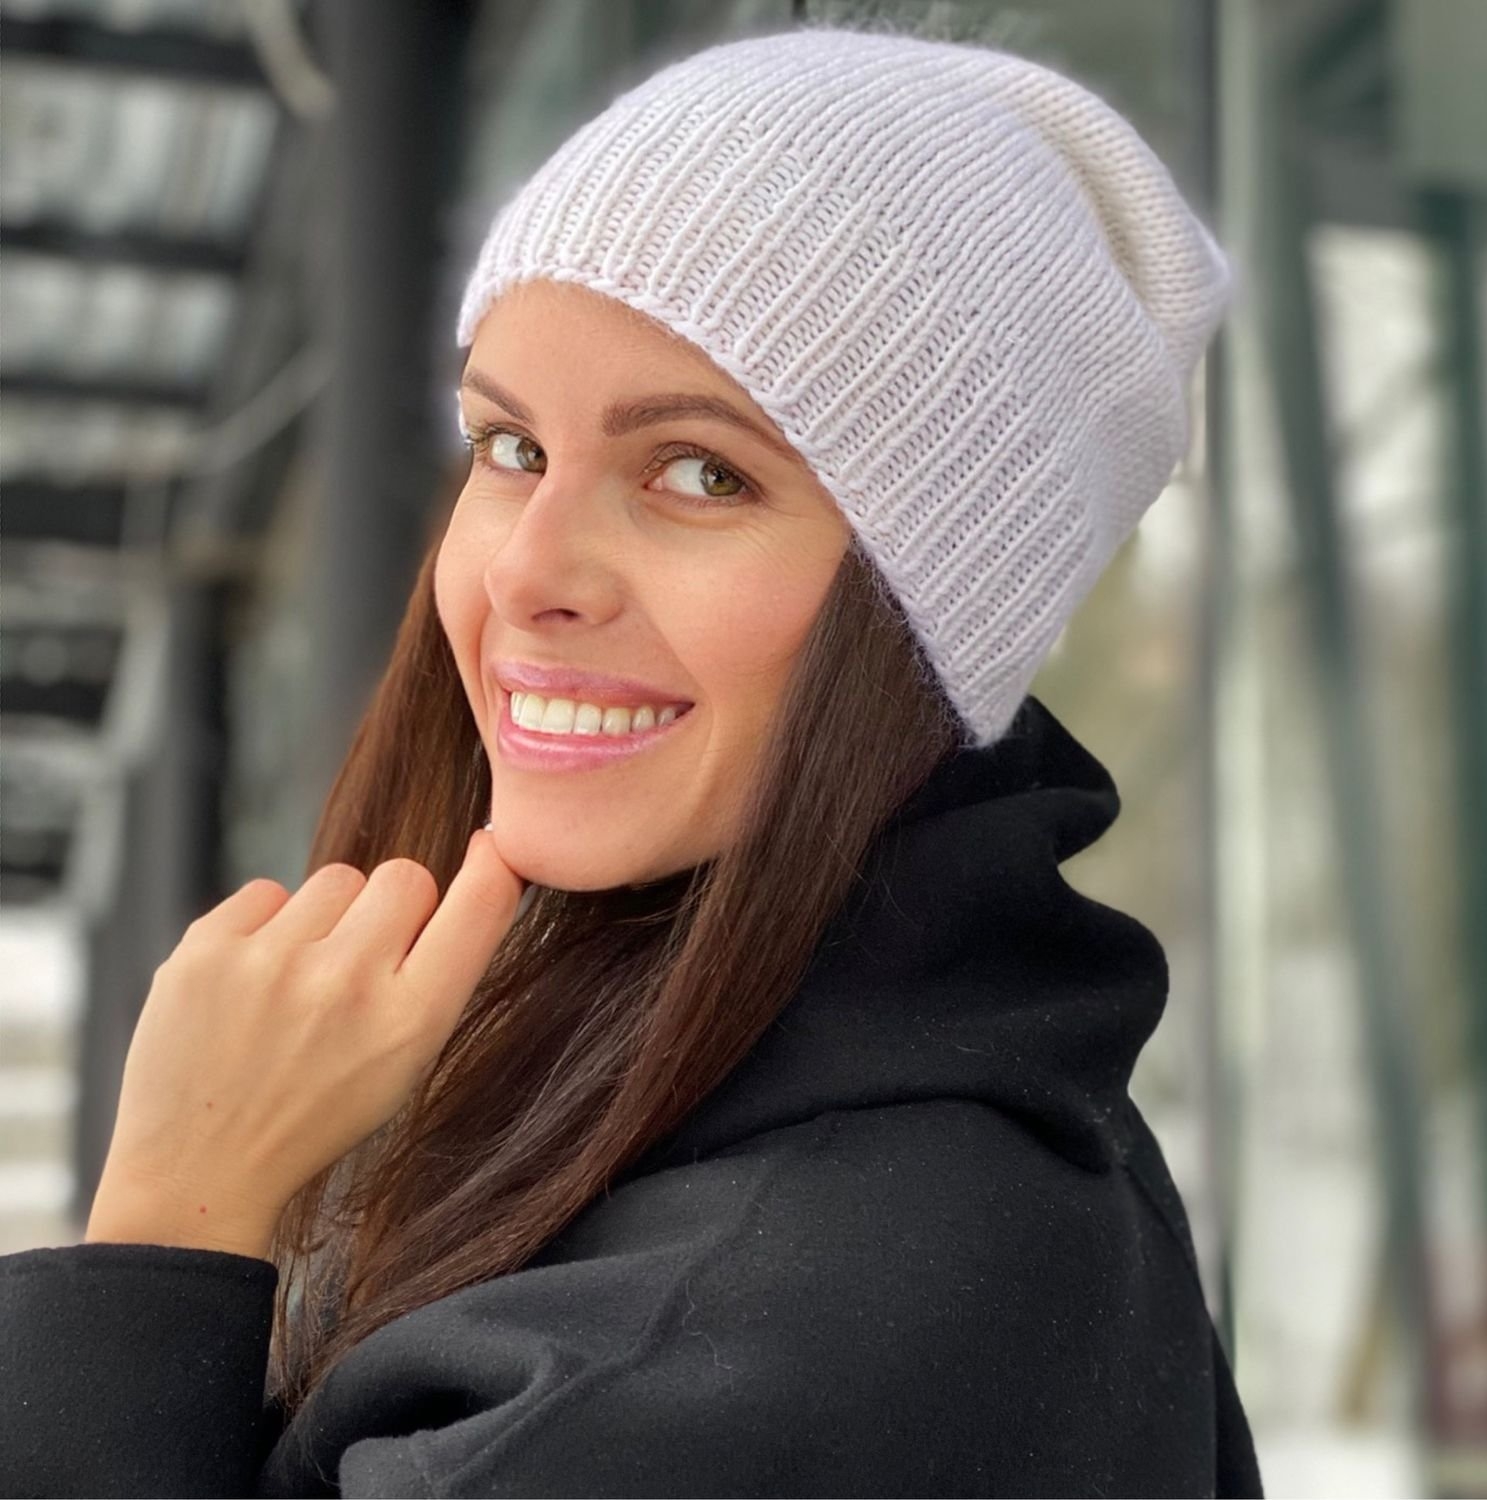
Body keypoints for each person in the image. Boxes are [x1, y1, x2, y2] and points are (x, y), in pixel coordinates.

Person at [0, 23, 1261, 1498]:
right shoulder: (906, 1149)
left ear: (940, 610)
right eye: (511, 447)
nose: (528, 572)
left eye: (701, 473)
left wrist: (172, 1220)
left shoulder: (731, 1358)